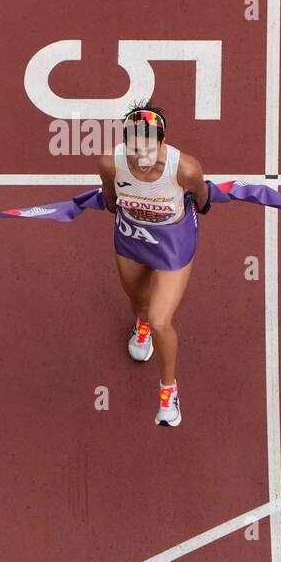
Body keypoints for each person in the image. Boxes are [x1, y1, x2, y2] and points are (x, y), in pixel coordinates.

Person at [97, 103, 210, 426]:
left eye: (147, 147)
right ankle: (141, 322)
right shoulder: (110, 162)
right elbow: (110, 199)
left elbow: (203, 200)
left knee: (161, 321)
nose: (140, 155)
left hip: (172, 243)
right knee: (138, 302)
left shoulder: (185, 168)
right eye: (134, 147)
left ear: (161, 141)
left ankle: (168, 392)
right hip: (131, 237)